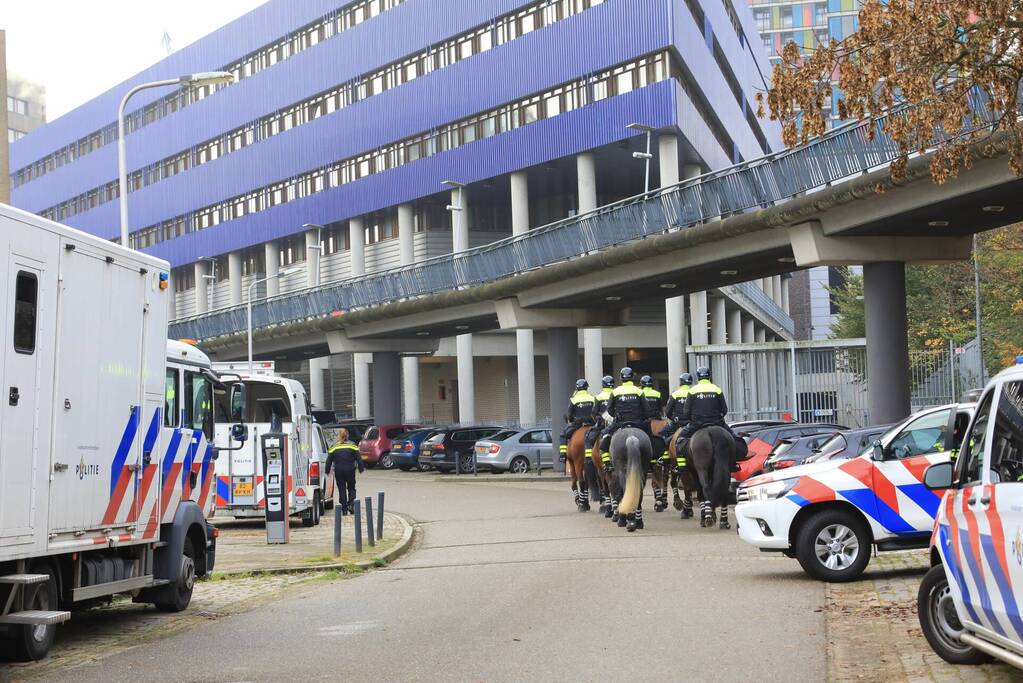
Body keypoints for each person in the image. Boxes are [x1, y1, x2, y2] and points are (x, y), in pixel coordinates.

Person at [674, 366, 733, 472]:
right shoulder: (717, 389)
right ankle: (734, 463)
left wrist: (692, 419)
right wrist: (717, 418)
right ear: (709, 376)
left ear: (698, 377)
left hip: (697, 424)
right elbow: (724, 410)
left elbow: (686, 412)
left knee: (679, 441)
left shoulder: (692, 391)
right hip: (717, 423)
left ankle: (681, 467)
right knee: (733, 438)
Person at [601, 367, 648, 472]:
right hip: (638, 423)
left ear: (621, 378)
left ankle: (606, 462)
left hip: (620, 423)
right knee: (652, 437)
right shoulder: (639, 391)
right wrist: (641, 418)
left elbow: (609, 409)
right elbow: (646, 409)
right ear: (632, 377)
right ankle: (653, 461)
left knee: (604, 434)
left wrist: (616, 416)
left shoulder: (616, 391)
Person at [325, 428, 364, 514]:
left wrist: (327, 471)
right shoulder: (353, 445)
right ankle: (351, 505)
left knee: (341, 489)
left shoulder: (334, 446)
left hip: (339, 470)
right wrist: (361, 468)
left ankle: (344, 509)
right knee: (351, 488)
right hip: (350, 470)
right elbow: (359, 459)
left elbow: (328, 461)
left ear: (339, 436)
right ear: (348, 435)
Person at [658, 372, 693, 468]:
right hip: (692, 423)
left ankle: (665, 458)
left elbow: (668, 411)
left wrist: (674, 419)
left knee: (662, 434)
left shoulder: (675, 394)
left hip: (678, 423)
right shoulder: (694, 392)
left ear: (680, 383)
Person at [560, 379, 596, 463]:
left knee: (562, 435)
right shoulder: (592, 397)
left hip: (577, 424)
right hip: (592, 423)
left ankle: (562, 455)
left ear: (577, 388)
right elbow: (595, 412)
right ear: (586, 387)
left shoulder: (573, 399)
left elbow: (569, 415)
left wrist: (571, 420)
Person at [585, 376, 615, 463]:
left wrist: (597, 422)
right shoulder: (616, 393)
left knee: (588, 436)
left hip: (602, 424)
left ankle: (588, 458)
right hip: (617, 422)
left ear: (603, 385)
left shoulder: (598, 396)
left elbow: (594, 412)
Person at [639, 375, 664, 468]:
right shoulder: (657, 393)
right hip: (656, 419)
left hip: (644, 420)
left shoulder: (639, 392)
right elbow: (660, 408)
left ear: (642, 384)